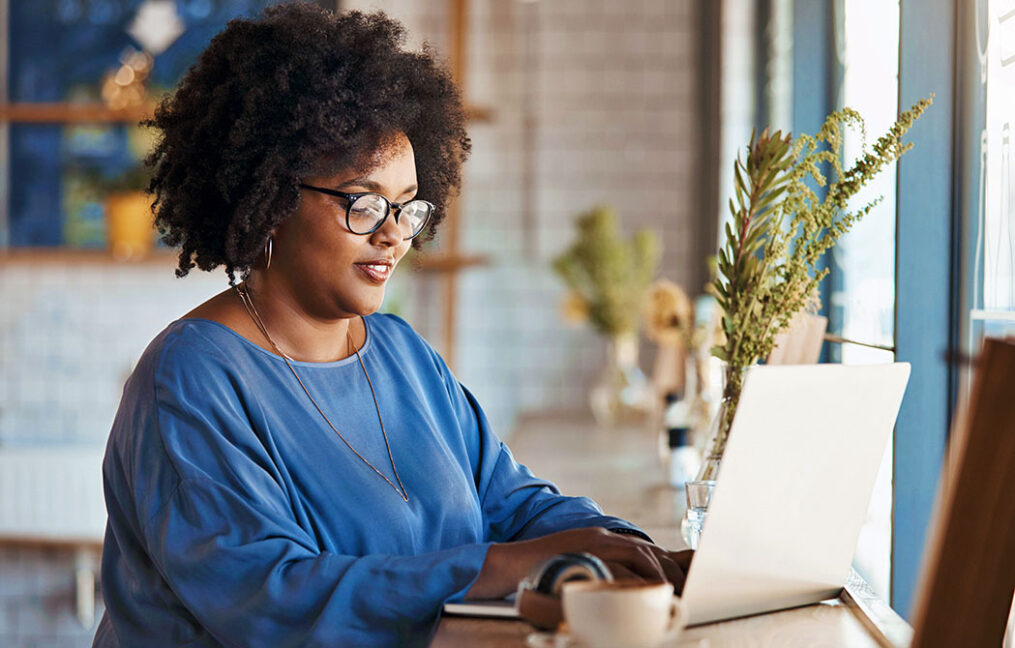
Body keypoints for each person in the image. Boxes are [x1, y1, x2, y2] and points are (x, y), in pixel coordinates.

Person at [93, 3, 692, 646]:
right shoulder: (190, 377)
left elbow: (510, 502)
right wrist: (498, 566)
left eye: (407, 208)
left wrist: (633, 550)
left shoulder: (403, 355)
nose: (392, 235)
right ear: (268, 197)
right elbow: (270, 599)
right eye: (364, 202)